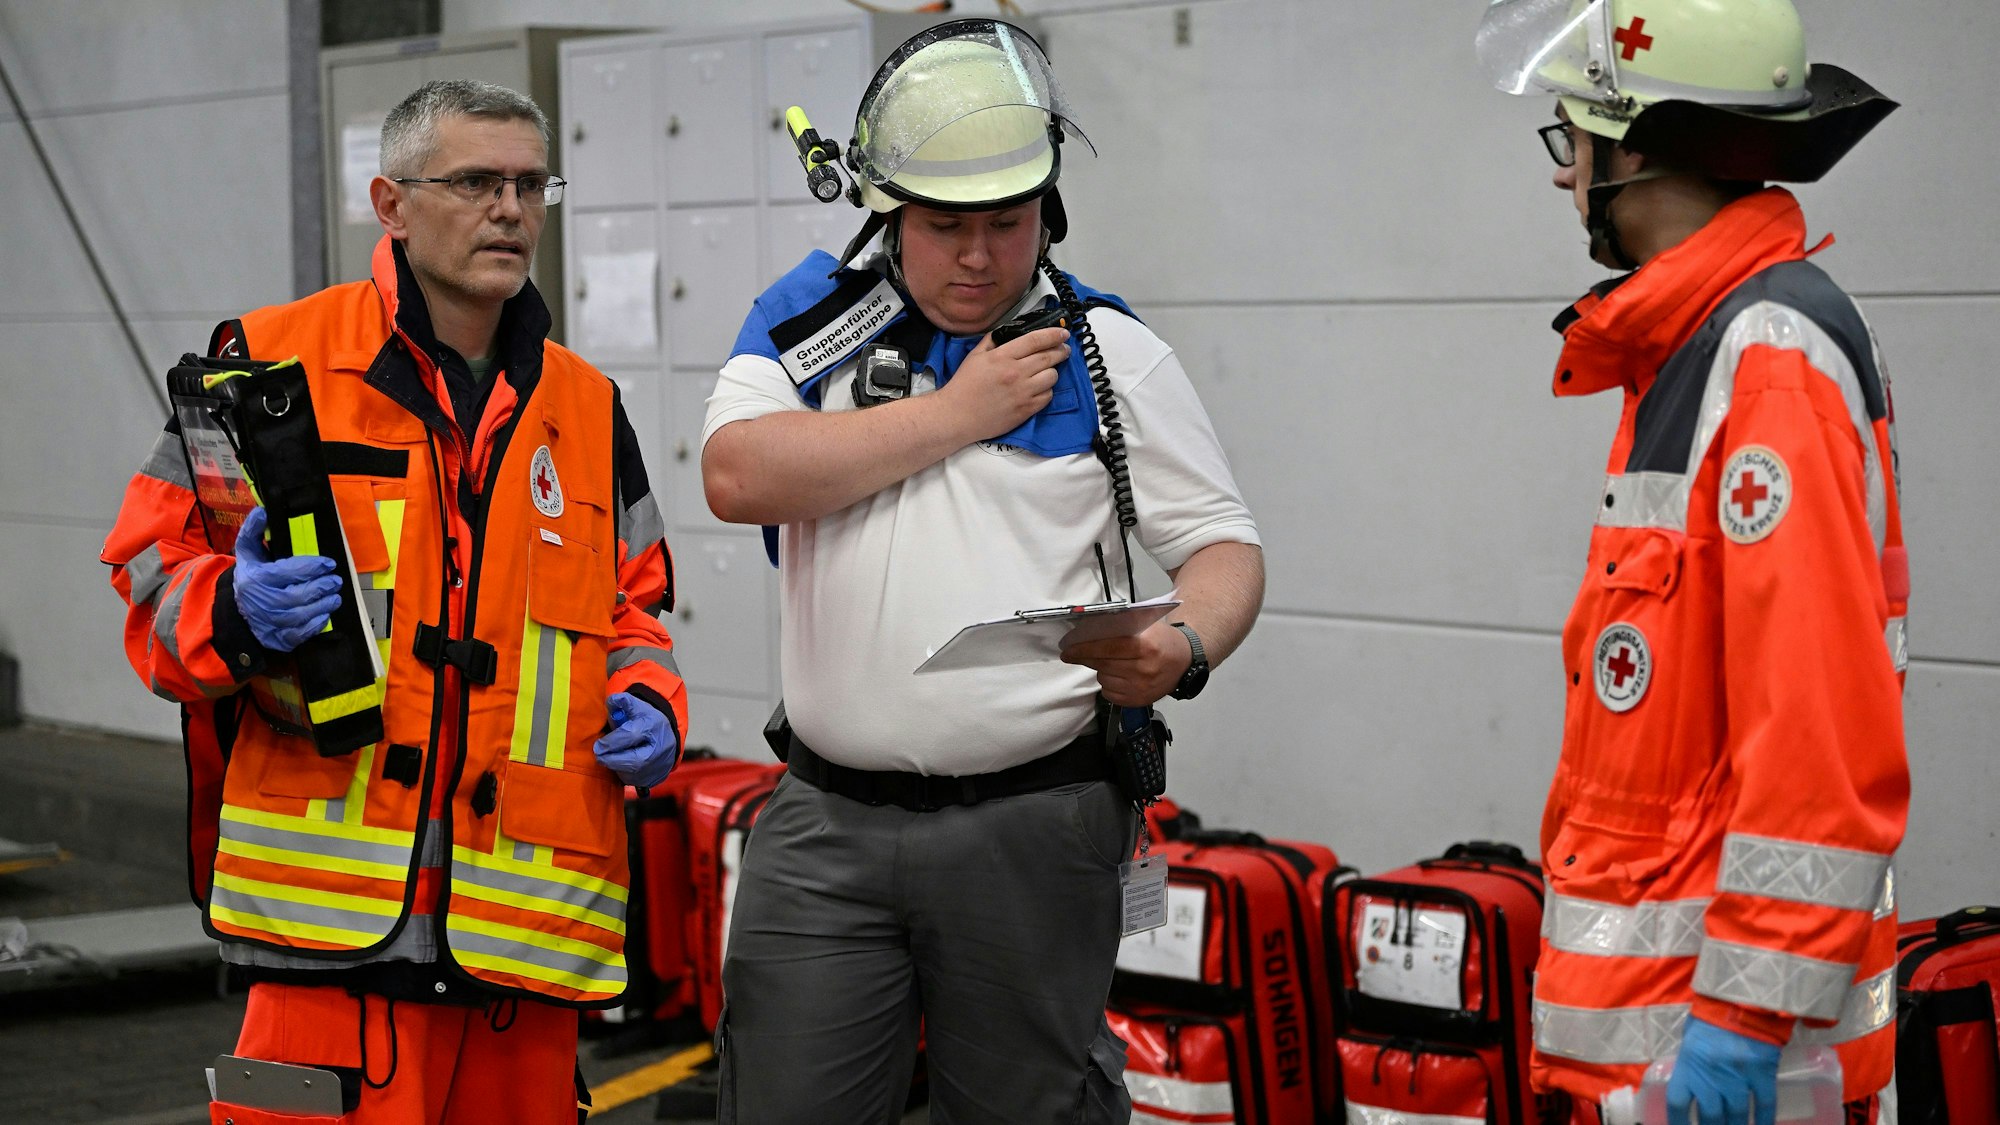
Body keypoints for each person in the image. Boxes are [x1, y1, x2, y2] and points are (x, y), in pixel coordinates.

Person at [701, 19, 1264, 1123]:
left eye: (1004, 225)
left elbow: (1223, 547)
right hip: (824, 822)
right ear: (891, 216)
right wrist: (957, 415)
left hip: (1034, 821)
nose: (975, 255)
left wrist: (1183, 642)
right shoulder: (807, 322)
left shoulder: (1109, 352)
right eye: (944, 225)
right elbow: (736, 475)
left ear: (1044, 216)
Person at [101, 80, 687, 1124]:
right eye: (474, 182)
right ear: (391, 203)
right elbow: (149, 584)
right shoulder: (264, 367)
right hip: (315, 957)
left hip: (526, 958)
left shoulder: (588, 410)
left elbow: (632, 613)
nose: (509, 209)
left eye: (526, 184)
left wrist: (650, 702)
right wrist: (233, 609)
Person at [1474, 3, 1909, 1123]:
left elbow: (1815, 723)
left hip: (1721, 1057)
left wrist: (1745, 1018)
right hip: (1654, 1046)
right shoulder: (1696, 345)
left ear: (1641, 149)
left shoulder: (1764, 363)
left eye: (1573, 141)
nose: (1563, 178)